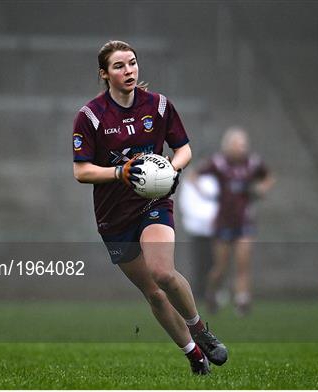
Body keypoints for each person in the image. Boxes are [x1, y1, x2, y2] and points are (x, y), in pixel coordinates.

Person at [72, 40, 227, 375]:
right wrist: (119, 172)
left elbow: (184, 149)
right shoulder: (90, 117)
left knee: (162, 272)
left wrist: (172, 169)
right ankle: (195, 357)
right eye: (118, 66)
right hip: (113, 219)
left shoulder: (158, 106)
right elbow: (81, 171)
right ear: (104, 74)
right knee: (154, 294)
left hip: (153, 203)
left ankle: (200, 330)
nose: (128, 70)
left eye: (132, 63)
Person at [197, 127, 275, 316]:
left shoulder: (253, 163)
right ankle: (212, 293)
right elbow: (195, 176)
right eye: (237, 144)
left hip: (244, 221)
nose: (241, 148)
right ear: (227, 146)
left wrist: (262, 189)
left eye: (243, 144)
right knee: (221, 267)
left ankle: (242, 300)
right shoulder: (218, 163)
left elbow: (269, 177)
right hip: (223, 222)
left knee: (243, 263)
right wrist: (204, 193)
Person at [178, 173, 219, 299]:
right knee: (199, 262)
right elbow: (187, 204)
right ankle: (199, 292)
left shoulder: (214, 179)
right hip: (197, 230)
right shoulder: (189, 182)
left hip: (214, 229)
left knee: (214, 262)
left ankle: (213, 291)